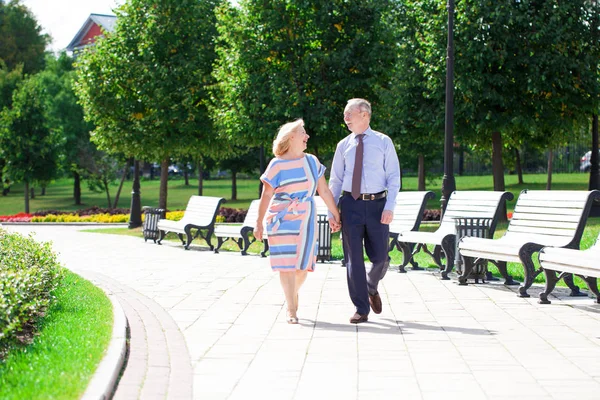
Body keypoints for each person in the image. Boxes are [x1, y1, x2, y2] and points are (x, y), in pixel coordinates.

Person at [255, 119, 341, 324]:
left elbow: (324, 190)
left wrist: (335, 214)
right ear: (291, 136)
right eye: (303, 132)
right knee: (286, 265)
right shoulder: (276, 165)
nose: (307, 136)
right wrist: (258, 223)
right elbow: (266, 196)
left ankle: (291, 294)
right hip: (281, 218)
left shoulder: (312, 161)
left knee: (303, 265)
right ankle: (291, 309)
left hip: (306, 218)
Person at [329, 98, 401, 324]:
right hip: (350, 205)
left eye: (349, 114)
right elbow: (336, 180)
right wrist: (333, 211)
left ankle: (371, 286)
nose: (345, 118)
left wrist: (389, 206)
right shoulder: (343, 145)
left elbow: (394, 177)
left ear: (364, 115)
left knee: (381, 258)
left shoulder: (383, 142)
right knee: (353, 260)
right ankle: (361, 308)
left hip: (378, 205)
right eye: (344, 114)